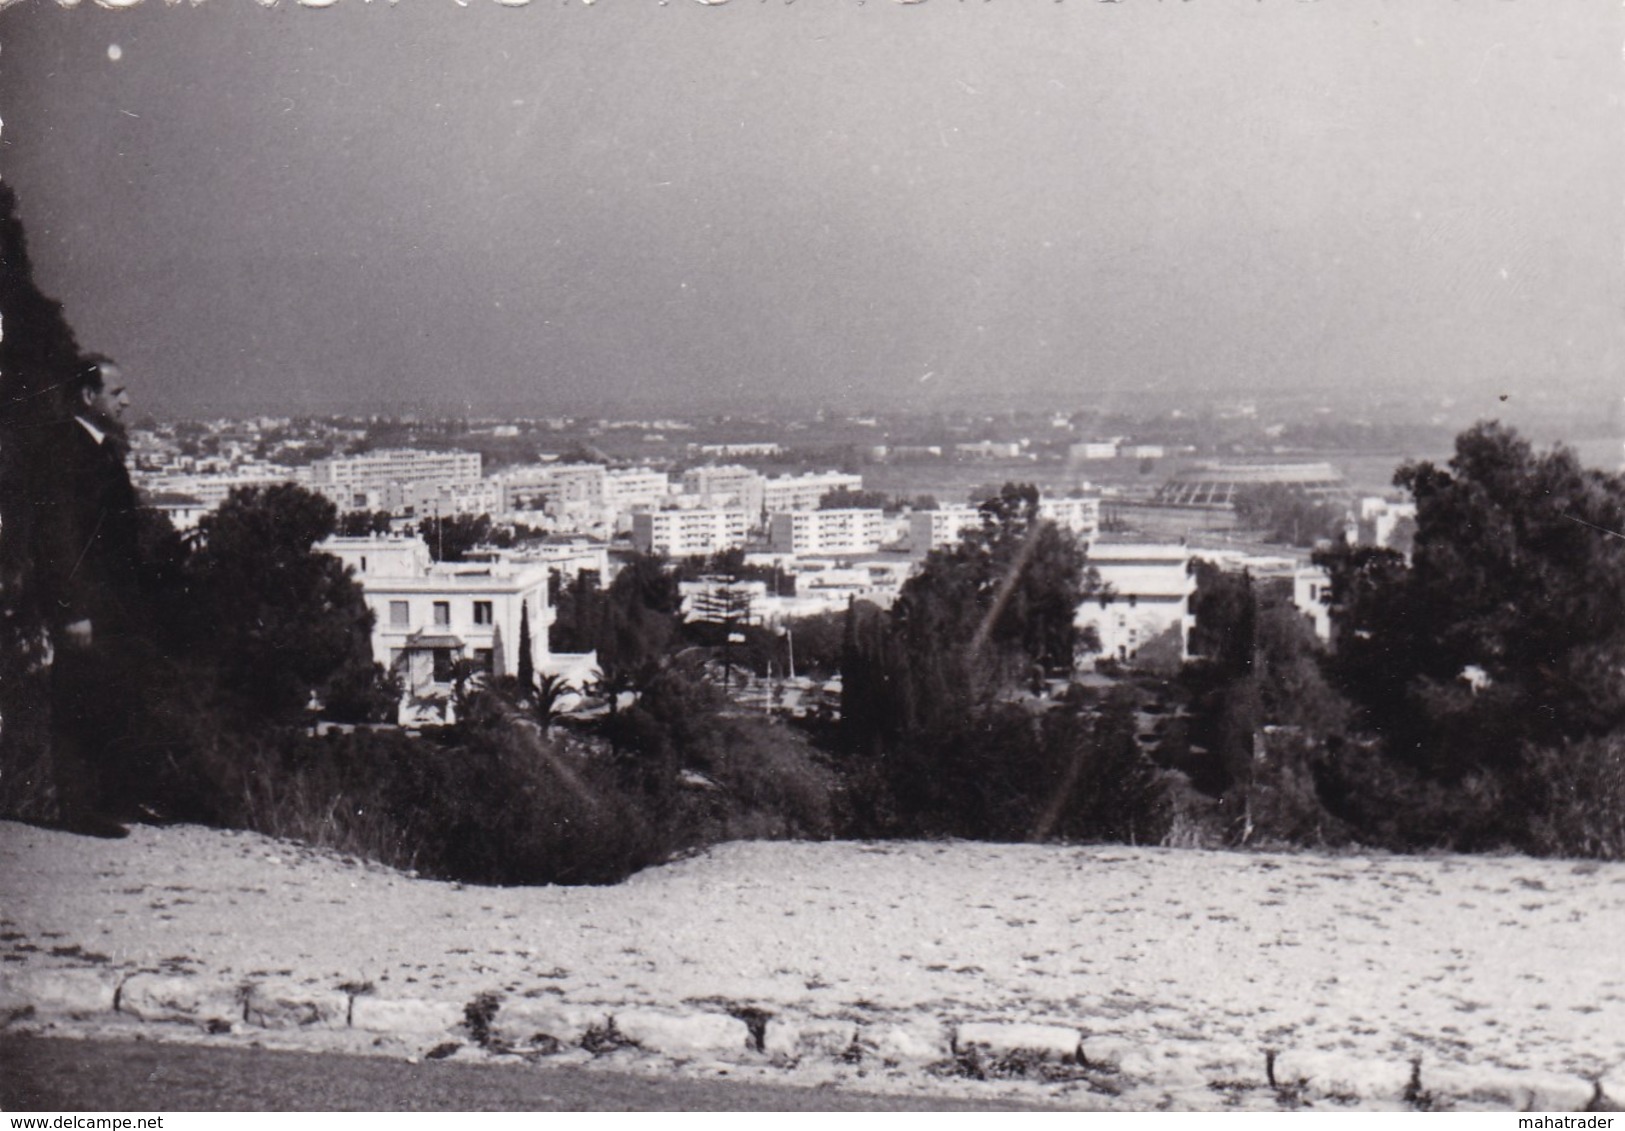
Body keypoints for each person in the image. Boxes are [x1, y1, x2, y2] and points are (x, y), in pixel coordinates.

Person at [35, 355, 146, 838]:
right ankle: (80, 809)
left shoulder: (97, 448)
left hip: (108, 604)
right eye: (115, 393)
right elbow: (57, 537)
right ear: (88, 396)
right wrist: (72, 609)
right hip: (85, 605)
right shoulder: (65, 449)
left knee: (107, 696)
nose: (126, 401)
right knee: (78, 700)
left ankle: (111, 801)